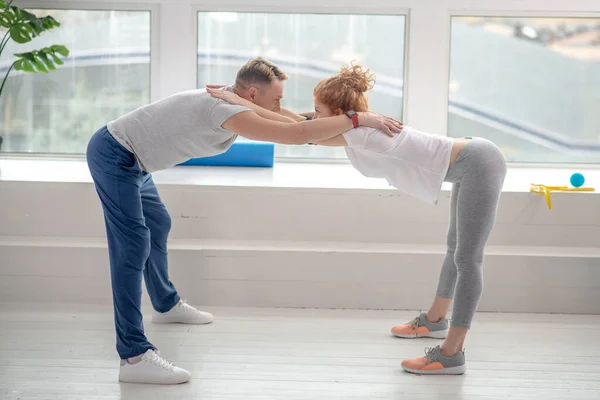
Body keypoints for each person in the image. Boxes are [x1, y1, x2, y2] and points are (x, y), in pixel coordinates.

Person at [85, 57, 403, 385]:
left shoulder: (235, 99)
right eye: (276, 98)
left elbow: (300, 125)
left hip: (135, 160)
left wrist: (361, 128)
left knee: (159, 223)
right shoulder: (225, 110)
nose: (281, 105)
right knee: (132, 244)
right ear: (252, 94)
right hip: (115, 155)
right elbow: (297, 135)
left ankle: (165, 305)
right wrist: (357, 119)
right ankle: (134, 356)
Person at [208, 63, 507, 375]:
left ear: (338, 112)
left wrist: (242, 104)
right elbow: (301, 122)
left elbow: (299, 131)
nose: (314, 115)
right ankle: (435, 321)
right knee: (454, 248)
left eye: (319, 110)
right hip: (469, 159)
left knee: (468, 258)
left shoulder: (363, 134)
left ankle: (451, 354)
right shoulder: (355, 128)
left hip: (479, 163)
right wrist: (247, 104)